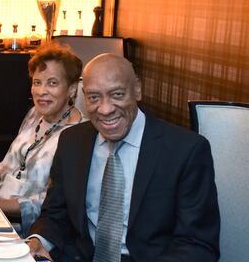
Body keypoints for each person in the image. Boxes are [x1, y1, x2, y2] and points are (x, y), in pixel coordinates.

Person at [27, 53, 220, 262]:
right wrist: (38, 241)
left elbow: (198, 245)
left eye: (117, 95)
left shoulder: (185, 151)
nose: (105, 109)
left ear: (137, 89)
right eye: (94, 97)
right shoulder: (72, 141)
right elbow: (56, 213)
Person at [0, 43, 85, 235]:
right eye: (37, 82)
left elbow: (49, 204)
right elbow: (4, 168)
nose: (41, 91)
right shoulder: (35, 114)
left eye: (52, 83)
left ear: (72, 89)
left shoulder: (78, 136)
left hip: (24, 229)